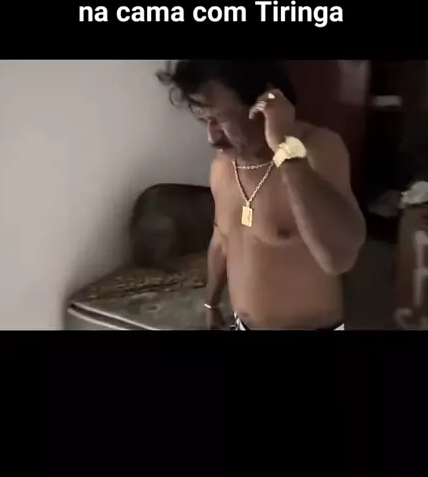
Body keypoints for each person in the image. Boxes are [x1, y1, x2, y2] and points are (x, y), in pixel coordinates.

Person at [157, 60, 366, 330]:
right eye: (203, 120)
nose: (211, 138)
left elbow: (340, 258)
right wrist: (211, 303)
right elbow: (222, 239)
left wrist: (285, 149)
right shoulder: (222, 166)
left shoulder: (318, 149)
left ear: (264, 100)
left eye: (220, 119)